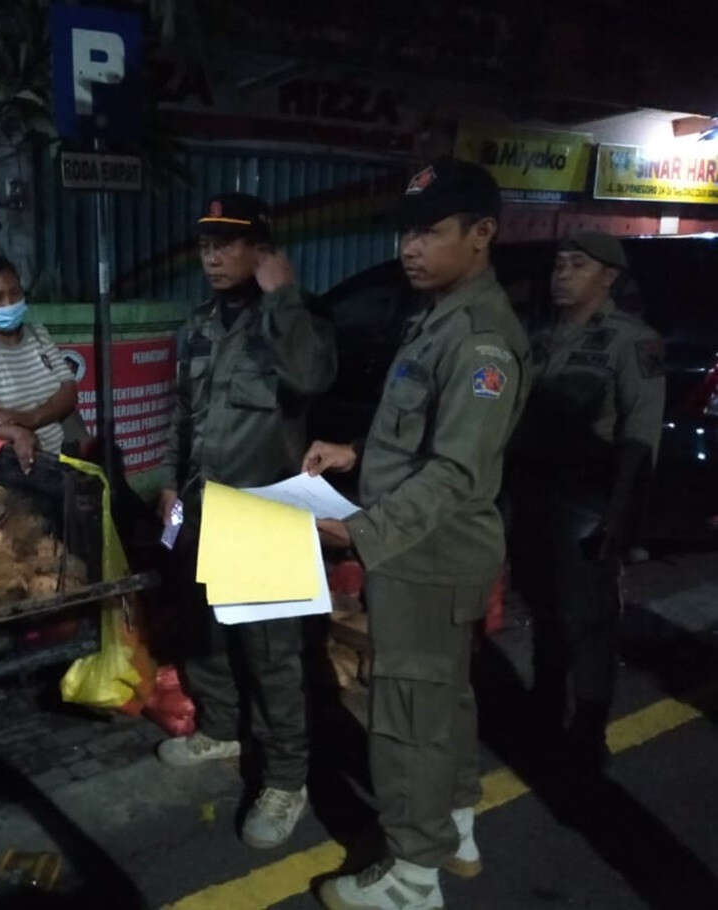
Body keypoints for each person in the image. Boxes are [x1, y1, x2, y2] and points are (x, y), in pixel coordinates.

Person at [304, 159, 530, 910]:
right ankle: (456, 827)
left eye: (430, 231)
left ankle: (411, 876)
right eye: (406, 230)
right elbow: (426, 437)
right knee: (443, 701)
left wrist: (363, 530)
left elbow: (457, 473)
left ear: (481, 234)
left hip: (424, 554)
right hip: (428, 549)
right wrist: (354, 455)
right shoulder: (437, 314)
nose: (410, 247)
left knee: (404, 713)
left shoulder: (479, 342)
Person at [154, 193, 337, 850]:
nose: (211, 254)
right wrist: (170, 482)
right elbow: (184, 413)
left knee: (271, 656)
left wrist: (283, 296)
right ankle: (222, 729)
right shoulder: (200, 323)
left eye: (227, 242)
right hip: (202, 506)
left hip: (263, 511)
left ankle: (287, 779)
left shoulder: (296, 318)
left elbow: (312, 377)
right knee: (203, 632)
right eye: (205, 243)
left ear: (262, 248)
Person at [509, 232, 665, 773]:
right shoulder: (542, 340)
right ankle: (545, 712)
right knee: (544, 611)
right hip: (533, 501)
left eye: (577, 265)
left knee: (588, 623)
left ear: (609, 277)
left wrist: (620, 519)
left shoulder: (632, 342)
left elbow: (640, 437)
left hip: (586, 504)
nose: (562, 274)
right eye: (558, 264)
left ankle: (588, 731)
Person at [0, 254, 79, 473]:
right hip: (8, 468)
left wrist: (27, 418)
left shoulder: (39, 334)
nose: (9, 303)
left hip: (58, 459)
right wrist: (20, 432)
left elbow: (69, 394)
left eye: (15, 293)